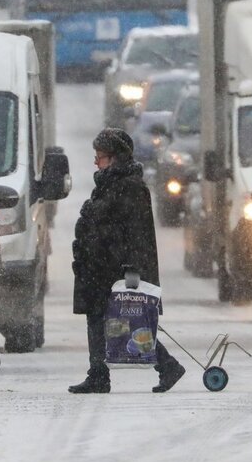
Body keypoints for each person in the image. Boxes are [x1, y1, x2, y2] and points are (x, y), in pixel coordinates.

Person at [69, 127, 186, 394]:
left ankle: (165, 366)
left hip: (115, 268)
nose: (96, 161)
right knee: (101, 318)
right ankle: (100, 374)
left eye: (100, 156)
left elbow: (137, 232)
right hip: (99, 267)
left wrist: (132, 268)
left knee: (128, 320)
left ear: (115, 158)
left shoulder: (130, 187)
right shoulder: (108, 184)